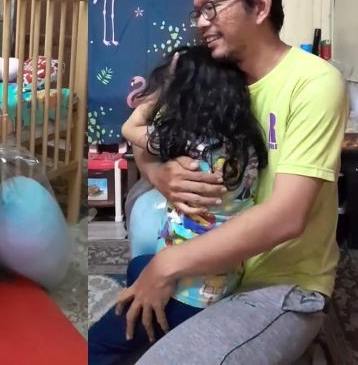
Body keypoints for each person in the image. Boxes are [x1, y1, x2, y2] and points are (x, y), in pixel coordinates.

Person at [113, 0, 348, 364]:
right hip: (209, 268)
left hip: (278, 284)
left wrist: (167, 265)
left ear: (260, 6)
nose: (201, 23)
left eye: (212, 8)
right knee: (117, 329)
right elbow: (142, 132)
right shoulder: (213, 76)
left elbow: (287, 216)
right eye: (197, 12)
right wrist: (157, 173)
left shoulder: (314, 83)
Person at [88, 45, 268, 363]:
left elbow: (129, 128)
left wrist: (164, 88)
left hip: (186, 293)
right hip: (223, 279)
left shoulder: (184, 140)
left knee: (96, 345)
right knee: (138, 266)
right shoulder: (247, 144)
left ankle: (153, 333)